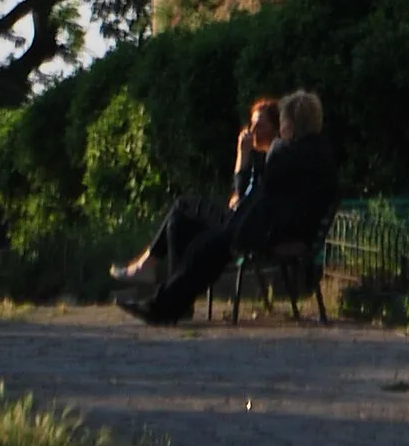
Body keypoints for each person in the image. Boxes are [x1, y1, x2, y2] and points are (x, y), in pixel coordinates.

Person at [123, 88, 339, 326]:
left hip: (270, 232)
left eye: (284, 121)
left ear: (290, 124)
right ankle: (170, 304)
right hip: (275, 226)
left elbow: (257, 195)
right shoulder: (317, 153)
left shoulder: (285, 152)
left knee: (205, 246)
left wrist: (247, 160)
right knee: (185, 225)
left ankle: (163, 307)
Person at [111, 97, 281, 289]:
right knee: (177, 223)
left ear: (274, 129)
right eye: (252, 125)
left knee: (183, 205)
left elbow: (243, 194)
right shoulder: (260, 158)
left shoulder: (272, 159)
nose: (253, 131)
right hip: (238, 221)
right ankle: (173, 294)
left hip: (239, 228)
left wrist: (242, 155)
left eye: (260, 126)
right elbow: (239, 193)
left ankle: (147, 267)